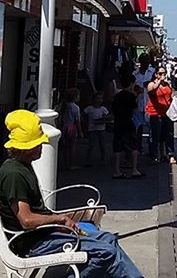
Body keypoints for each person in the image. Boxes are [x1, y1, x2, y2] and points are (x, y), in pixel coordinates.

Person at [0, 110, 144, 277]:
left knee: (108, 239)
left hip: (46, 232)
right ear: (26, 149)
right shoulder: (13, 174)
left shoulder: (23, 165)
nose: (41, 147)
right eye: (38, 145)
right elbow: (26, 220)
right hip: (35, 242)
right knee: (105, 252)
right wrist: (59, 219)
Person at [113, 73, 144, 179]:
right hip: (128, 122)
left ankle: (116, 170)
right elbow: (134, 110)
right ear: (130, 83)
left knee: (117, 147)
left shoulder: (116, 96)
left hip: (118, 122)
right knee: (133, 146)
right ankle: (134, 169)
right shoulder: (131, 96)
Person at [146, 65, 176, 164]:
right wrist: (158, 81)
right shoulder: (152, 84)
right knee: (155, 136)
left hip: (167, 113)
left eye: (164, 73)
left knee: (168, 135)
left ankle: (168, 154)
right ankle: (154, 155)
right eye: (160, 73)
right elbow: (151, 90)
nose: (163, 75)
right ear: (156, 74)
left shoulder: (167, 84)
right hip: (155, 113)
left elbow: (170, 95)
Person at [134, 53, 155, 154]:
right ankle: (138, 146)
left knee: (151, 127)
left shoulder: (152, 73)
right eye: (144, 61)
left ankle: (152, 149)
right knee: (138, 127)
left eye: (147, 61)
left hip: (150, 103)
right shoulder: (135, 74)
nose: (146, 63)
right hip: (138, 103)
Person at [59, 88, 82, 170]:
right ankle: (71, 164)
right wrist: (80, 131)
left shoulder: (64, 106)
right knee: (72, 146)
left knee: (65, 146)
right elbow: (77, 120)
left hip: (64, 126)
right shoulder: (75, 107)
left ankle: (65, 163)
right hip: (72, 127)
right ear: (75, 97)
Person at [84, 92, 109, 167]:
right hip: (92, 128)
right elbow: (83, 115)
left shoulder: (103, 109)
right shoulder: (89, 108)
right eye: (97, 98)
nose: (99, 100)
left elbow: (107, 117)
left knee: (102, 144)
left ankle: (103, 159)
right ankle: (88, 160)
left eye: (101, 98)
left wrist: (103, 120)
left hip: (101, 128)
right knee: (91, 145)